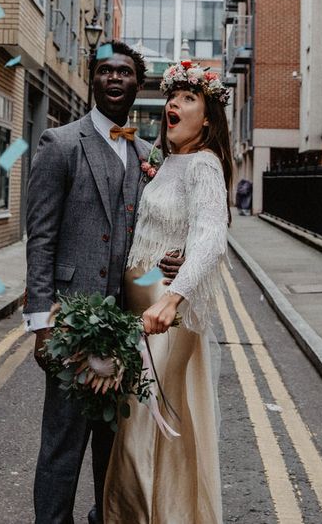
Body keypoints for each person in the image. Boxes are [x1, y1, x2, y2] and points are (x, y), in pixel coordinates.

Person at [24, 41, 182, 524]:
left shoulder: (146, 153)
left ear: (140, 83)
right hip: (72, 323)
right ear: (93, 80)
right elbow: (41, 237)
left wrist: (169, 265)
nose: (116, 79)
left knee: (114, 447)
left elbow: (144, 244)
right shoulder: (61, 143)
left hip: (128, 329)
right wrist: (41, 322)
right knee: (62, 447)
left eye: (126, 73)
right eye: (107, 71)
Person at [104, 60, 233, 524]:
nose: (174, 104)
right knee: (146, 420)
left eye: (188, 98)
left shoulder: (204, 165)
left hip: (165, 315)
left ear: (208, 118)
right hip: (140, 308)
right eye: (172, 97)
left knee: (145, 418)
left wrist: (172, 298)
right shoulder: (163, 161)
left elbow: (211, 236)